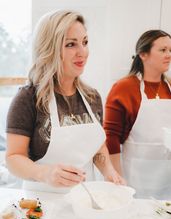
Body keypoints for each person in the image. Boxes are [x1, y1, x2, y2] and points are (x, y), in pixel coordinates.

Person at [5, 10, 125, 193]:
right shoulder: (29, 98)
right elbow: (13, 158)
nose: (82, 52)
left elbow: (98, 147)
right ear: (49, 49)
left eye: (85, 42)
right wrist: (44, 173)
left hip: (87, 200)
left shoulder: (92, 97)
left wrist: (109, 172)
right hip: (41, 203)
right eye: (71, 44)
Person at [104, 29, 171, 199]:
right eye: (163, 50)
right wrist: (118, 181)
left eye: (170, 50)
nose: (168, 55)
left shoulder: (169, 87)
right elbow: (111, 138)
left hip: (166, 177)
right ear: (143, 54)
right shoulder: (124, 88)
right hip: (133, 177)